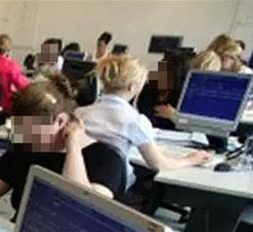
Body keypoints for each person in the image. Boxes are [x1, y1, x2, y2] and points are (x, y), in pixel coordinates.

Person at [0, 76, 126, 215]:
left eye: (31, 130)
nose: (23, 137)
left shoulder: (107, 160)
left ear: (61, 121)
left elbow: (79, 210)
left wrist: (73, 146)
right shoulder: (29, 147)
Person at [76, 55, 210, 190]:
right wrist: (190, 159)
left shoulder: (80, 113)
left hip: (78, 178)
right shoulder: (135, 121)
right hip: (114, 184)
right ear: (132, 87)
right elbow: (159, 164)